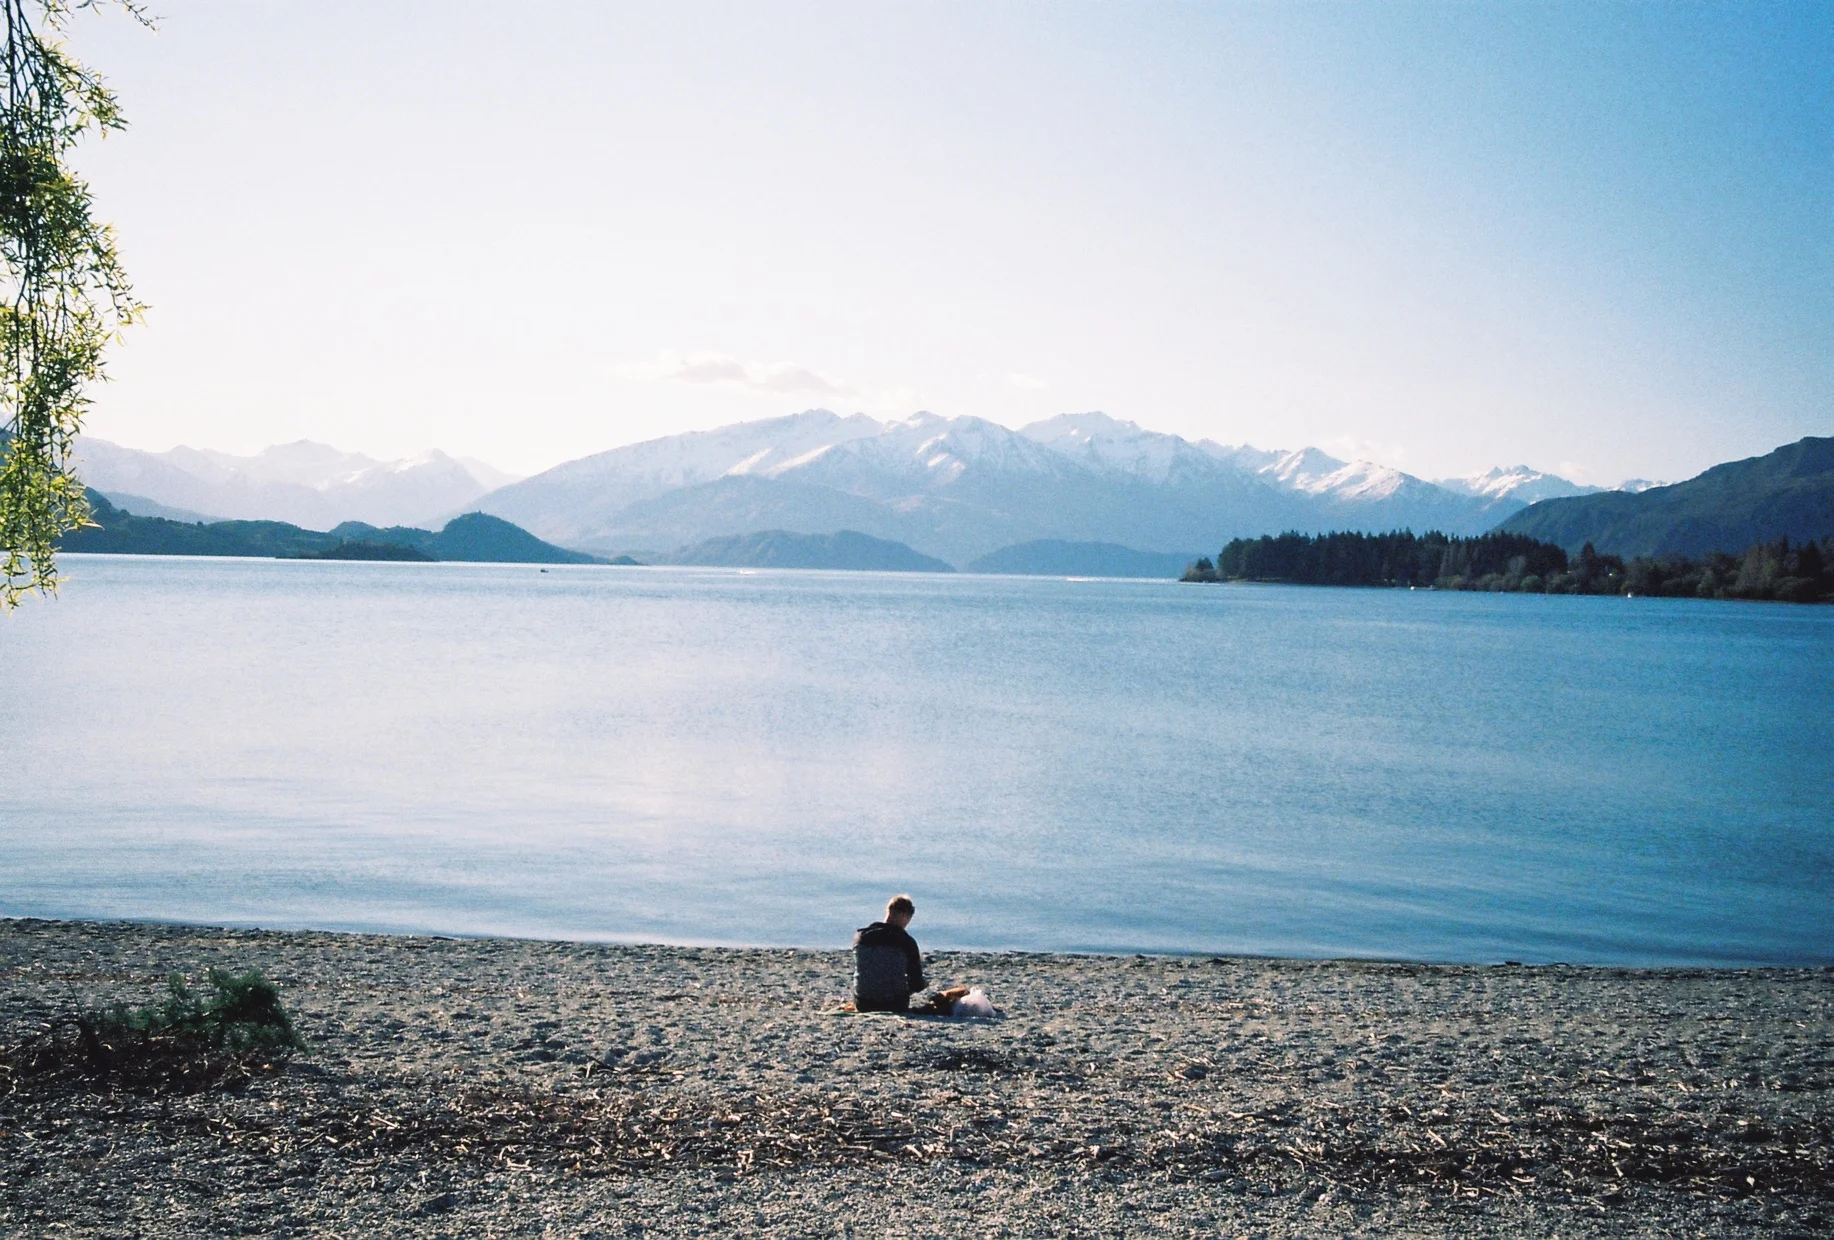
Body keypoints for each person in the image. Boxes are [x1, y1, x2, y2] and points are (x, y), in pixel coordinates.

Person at [852, 893, 926, 1012]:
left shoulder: (860, 936)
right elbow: (916, 984)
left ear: (888, 910)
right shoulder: (906, 941)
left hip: (863, 1003)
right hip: (894, 1004)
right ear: (904, 916)